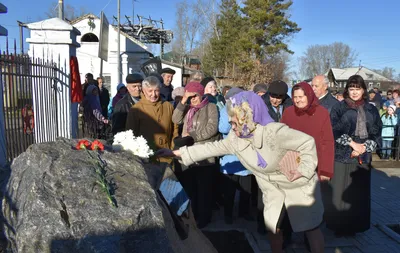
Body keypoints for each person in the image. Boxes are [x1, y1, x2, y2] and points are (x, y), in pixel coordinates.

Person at [158, 91, 325, 253]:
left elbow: (307, 143)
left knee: (310, 227)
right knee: (273, 228)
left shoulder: (274, 132)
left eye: (234, 121)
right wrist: (175, 153)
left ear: (248, 118)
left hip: (297, 183)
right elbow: (211, 148)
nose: (231, 125)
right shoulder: (236, 138)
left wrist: (302, 169)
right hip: (272, 188)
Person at [325, 75, 382, 236]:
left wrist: (364, 147)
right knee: (339, 193)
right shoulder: (339, 107)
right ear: (347, 90)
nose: (355, 92)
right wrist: (352, 144)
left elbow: (377, 131)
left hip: (363, 156)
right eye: (351, 88)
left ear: (363, 90)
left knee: (358, 194)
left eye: (358, 88)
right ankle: (339, 226)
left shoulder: (371, 109)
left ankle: (354, 227)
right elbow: (334, 129)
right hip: (342, 154)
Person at [281, 82, 335, 251]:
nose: (298, 100)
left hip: (313, 167)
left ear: (309, 95)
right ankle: (287, 240)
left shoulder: (322, 113)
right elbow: (281, 137)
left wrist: (325, 170)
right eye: (295, 97)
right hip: (290, 166)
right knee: (289, 207)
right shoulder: (288, 112)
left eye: (301, 97)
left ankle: (313, 246)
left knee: (311, 216)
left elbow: (327, 142)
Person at [171, 81, 220, 229]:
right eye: (190, 97)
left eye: (195, 96)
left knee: (204, 188)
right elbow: (175, 119)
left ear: (201, 94)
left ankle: (204, 217)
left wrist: (191, 136)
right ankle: (192, 216)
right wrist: (183, 100)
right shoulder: (187, 108)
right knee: (190, 187)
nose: (193, 100)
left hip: (204, 154)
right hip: (187, 154)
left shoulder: (211, 107)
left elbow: (211, 129)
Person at [219, 87, 253, 225]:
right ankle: (228, 214)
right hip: (230, 155)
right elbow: (222, 129)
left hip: (245, 156)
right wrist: (231, 118)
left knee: (246, 189)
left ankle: (244, 212)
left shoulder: (247, 110)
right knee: (229, 189)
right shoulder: (224, 110)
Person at [125, 76, 178, 162]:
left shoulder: (168, 106)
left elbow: (175, 130)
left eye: (156, 91)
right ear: (143, 91)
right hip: (145, 157)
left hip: (166, 155)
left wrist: (171, 149)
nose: (153, 94)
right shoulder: (136, 109)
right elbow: (130, 134)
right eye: (150, 91)